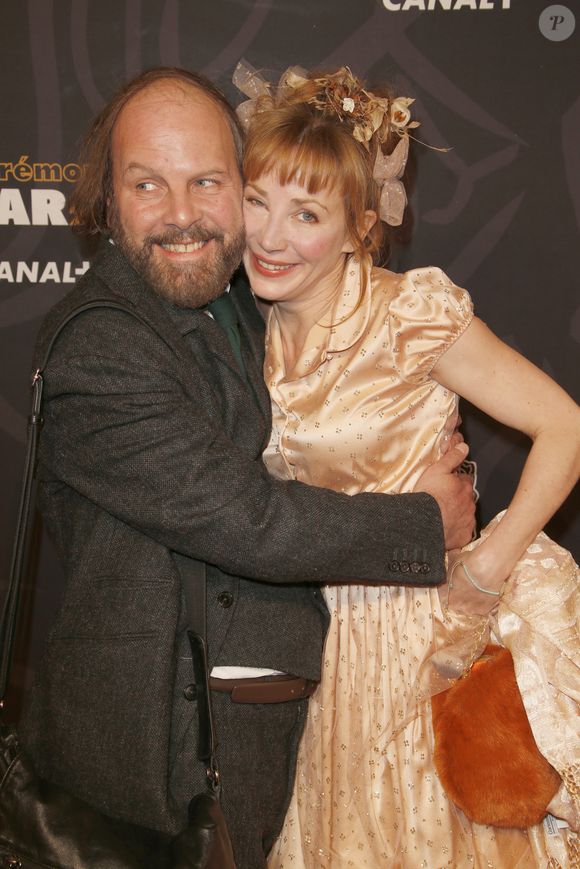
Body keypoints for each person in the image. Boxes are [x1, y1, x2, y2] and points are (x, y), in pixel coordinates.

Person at [18, 67, 477, 869]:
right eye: (147, 185)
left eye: (206, 181)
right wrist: (425, 523)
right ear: (106, 199)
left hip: (266, 735)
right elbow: (243, 517)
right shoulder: (100, 344)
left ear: (242, 185)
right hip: (151, 765)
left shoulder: (237, 295)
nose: (183, 214)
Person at [236, 64, 580, 867]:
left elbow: (564, 425)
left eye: (306, 213)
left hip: (422, 649)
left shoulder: (406, 316)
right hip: (307, 664)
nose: (270, 236)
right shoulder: (231, 331)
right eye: (258, 201)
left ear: (359, 226)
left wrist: (488, 567)